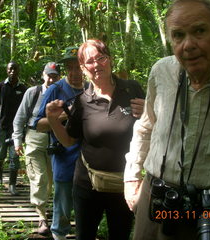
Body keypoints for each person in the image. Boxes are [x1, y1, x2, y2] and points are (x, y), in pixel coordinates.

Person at [123, 1, 210, 240]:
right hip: (156, 201)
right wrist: (132, 179)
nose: (188, 45)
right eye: (178, 35)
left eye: (199, 31)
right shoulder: (161, 72)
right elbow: (145, 129)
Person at [44, 39, 145, 240]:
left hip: (124, 183)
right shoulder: (82, 101)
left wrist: (148, 112)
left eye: (101, 58)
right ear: (83, 68)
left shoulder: (131, 89)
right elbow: (69, 141)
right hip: (87, 184)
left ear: (110, 60)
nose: (96, 65)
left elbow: (152, 128)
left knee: (120, 235)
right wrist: (54, 121)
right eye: (89, 62)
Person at [35, 47, 86, 240]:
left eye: (78, 67)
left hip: (89, 158)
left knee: (87, 204)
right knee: (63, 203)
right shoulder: (56, 89)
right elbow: (38, 125)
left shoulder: (92, 89)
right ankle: (59, 234)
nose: (75, 73)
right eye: (70, 67)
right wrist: (63, 116)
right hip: (65, 157)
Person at [12, 62, 60, 235]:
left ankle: (55, 213)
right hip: (34, 138)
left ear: (59, 77)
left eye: (55, 76)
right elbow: (19, 118)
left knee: (53, 179)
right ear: (43, 75)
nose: (51, 78)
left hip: (56, 139)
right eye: (49, 75)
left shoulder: (62, 92)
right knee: (39, 178)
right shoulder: (32, 92)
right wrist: (17, 140)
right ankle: (42, 217)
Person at [0, 61, 27, 195]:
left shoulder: (24, 89)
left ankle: (12, 185)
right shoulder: (0, 86)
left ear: (19, 70)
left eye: (15, 68)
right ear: (7, 71)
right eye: (10, 69)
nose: (13, 71)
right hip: (2, 126)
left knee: (14, 157)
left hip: (17, 129)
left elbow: (27, 109)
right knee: (0, 154)